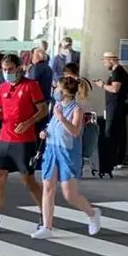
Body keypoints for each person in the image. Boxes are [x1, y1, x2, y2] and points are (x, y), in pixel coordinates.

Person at [0, 54, 48, 234]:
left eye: (10, 69)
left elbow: (43, 109)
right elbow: (0, 111)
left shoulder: (31, 86)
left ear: (18, 68)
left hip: (24, 140)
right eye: (4, 70)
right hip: (4, 137)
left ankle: (45, 213)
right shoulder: (3, 87)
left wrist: (29, 122)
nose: (7, 73)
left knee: (28, 180)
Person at [32, 76, 101, 239]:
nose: (55, 90)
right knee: (48, 187)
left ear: (65, 92)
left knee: (69, 194)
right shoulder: (56, 106)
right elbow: (54, 126)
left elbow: (75, 131)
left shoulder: (76, 109)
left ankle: (92, 213)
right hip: (51, 149)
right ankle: (47, 226)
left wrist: (62, 118)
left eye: (57, 88)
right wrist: (45, 132)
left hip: (68, 153)